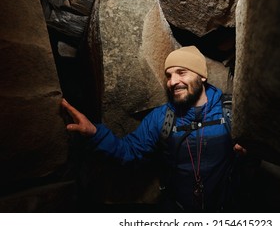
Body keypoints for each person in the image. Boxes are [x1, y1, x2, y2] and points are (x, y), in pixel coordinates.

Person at [62, 45, 246, 212]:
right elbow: (129, 151)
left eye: (181, 72)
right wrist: (94, 133)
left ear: (202, 76)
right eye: (169, 75)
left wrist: (249, 153)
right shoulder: (161, 118)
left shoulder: (230, 112)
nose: (172, 82)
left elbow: (258, 149)